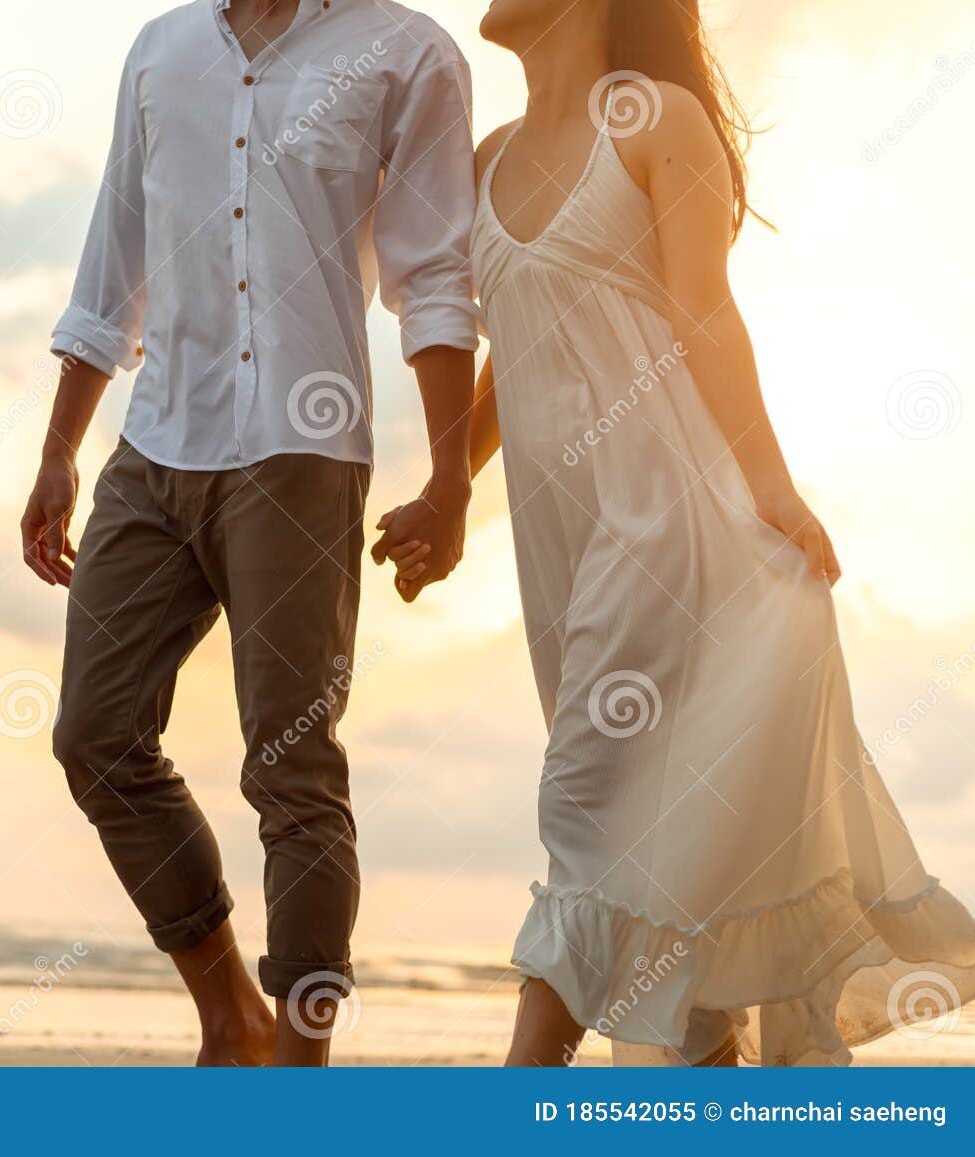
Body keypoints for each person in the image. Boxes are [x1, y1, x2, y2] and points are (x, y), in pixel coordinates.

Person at [378, 0, 975, 1065]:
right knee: (656, 863)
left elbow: (706, 314)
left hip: (683, 542)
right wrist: (448, 489)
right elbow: (515, 357)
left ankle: (520, 1092)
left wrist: (775, 493)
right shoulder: (488, 158)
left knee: (584, 819)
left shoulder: (654, 121)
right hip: (566, 574)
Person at [21, 0, 481, 1065]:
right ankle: (230, 1013)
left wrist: (450, 475)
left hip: (300, 452)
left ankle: (299, 1071)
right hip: (154, 447)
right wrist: (59, 446)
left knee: (290, 766)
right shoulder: (162, 48)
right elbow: (112, 258)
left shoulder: (408, 55)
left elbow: (434, 279)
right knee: (93, 736)